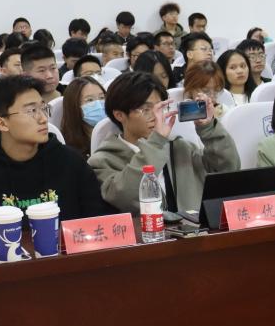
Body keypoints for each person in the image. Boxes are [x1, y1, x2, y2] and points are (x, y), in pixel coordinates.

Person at [0, 75, 106, 266]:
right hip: (2, 271)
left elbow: (97, 220)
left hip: (69, 266)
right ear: (2, 123)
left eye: (43, 108)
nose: (43, 118)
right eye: (31, 111)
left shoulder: (71, 162)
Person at [89, 72, 238, 217]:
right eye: (146, 109)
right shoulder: (102, 161)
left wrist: (209, 129)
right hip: (147, 233)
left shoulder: (180, 148)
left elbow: (227, 170)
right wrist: (156, 141)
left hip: (195, 230)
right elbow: (126, 198)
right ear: (119, 115)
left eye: (160, 108)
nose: (156, 116)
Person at [60, 76, 107, 158]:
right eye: (90, 100)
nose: (99, 105)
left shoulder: (116, 133)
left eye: (102, 98)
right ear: (74, 106)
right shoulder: (69, 150)